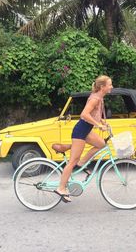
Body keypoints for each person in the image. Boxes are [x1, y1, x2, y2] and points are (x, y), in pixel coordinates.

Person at [54, 75, 113, 203]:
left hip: (86, 130)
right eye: (110, 84)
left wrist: (103, 122)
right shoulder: (95, 98)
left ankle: (82, 163)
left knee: (101, 144)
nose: (111, 87)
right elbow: (84, 114)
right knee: (72, 161)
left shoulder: (100, 98)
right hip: (81, 130)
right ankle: (61, 188)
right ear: (103, 87)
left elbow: (94, 114)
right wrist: (98, 126)